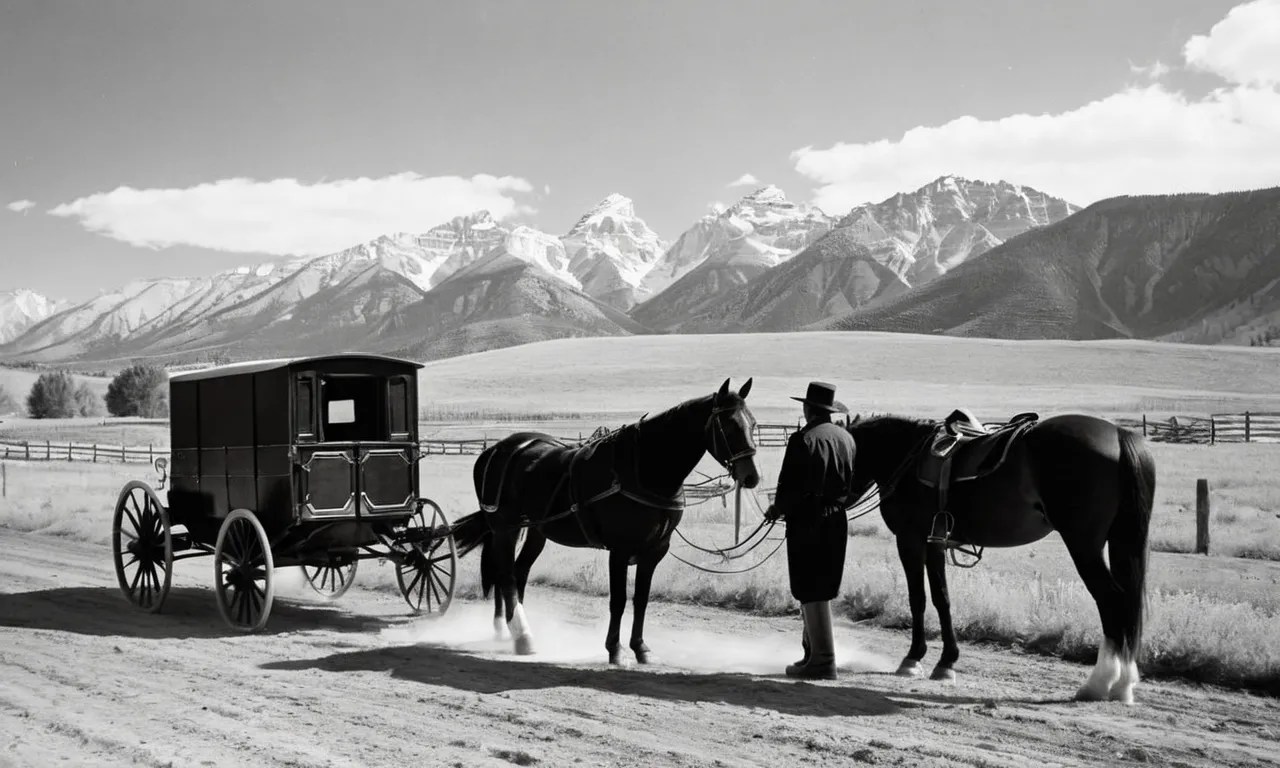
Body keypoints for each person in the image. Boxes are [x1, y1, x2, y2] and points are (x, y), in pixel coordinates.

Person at [764, 381, 857, 680]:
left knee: (807, 585)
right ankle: (813, 655)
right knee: (824, 585)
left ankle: (821, 661)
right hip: (837, 518)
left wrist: (777, 508)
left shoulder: (802, 440)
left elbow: (790, 486)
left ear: (808, 408)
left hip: (808, 519)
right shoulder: (847, 438)